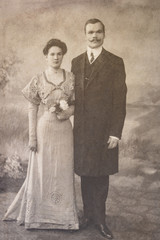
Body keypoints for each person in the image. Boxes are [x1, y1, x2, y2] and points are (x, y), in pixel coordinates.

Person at [3, 39, 79, 230]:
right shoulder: (38, 79)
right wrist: (32, 138)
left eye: (59, 53)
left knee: (62, 171)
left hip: (64, 132)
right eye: (52, 54)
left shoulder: (71, 78)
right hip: (44, 130)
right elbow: (32, 109)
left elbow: (77, 103)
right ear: (46, 56)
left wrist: (68, 112)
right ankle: (40, 215)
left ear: (63, 56)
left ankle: (64, 217)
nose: (56, 57)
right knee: (42, 171)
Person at [71, 19, 127, 239]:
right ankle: (88, 216)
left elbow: (119, 100)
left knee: (101, 175)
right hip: (82, 131)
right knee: (85, 173)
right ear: (85, 34)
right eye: (90, 32)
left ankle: (101, 220)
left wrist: (115, 132)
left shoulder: (115, 62)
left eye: (98, 32)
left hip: (104, 131)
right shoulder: (76, 62)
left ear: (104, 33)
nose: (94, 36)